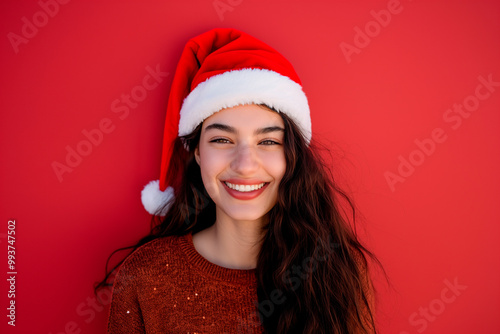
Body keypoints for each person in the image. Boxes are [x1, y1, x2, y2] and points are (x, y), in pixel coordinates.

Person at [96, 28, 380, 333]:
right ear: (197, 155)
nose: (245, 165)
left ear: (293, 156)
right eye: (221, 139)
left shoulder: (334, 269)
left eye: (269, 142)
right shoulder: (146, 276)